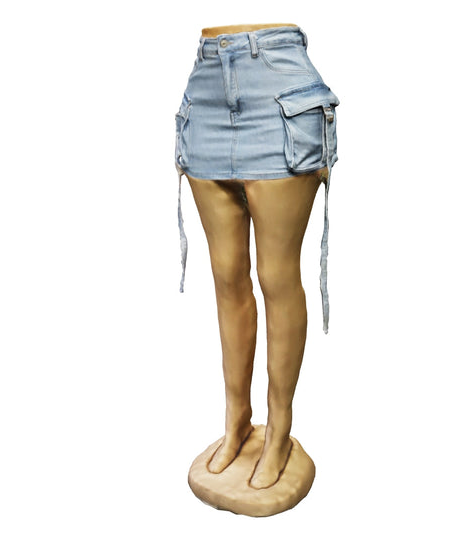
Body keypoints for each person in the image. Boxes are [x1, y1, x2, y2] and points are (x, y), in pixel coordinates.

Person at [175, 23, 339, 489]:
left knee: (276, 275)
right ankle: (237, 422)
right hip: (206, 84)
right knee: (226, 275)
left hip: (280, 91)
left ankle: (279, 431)